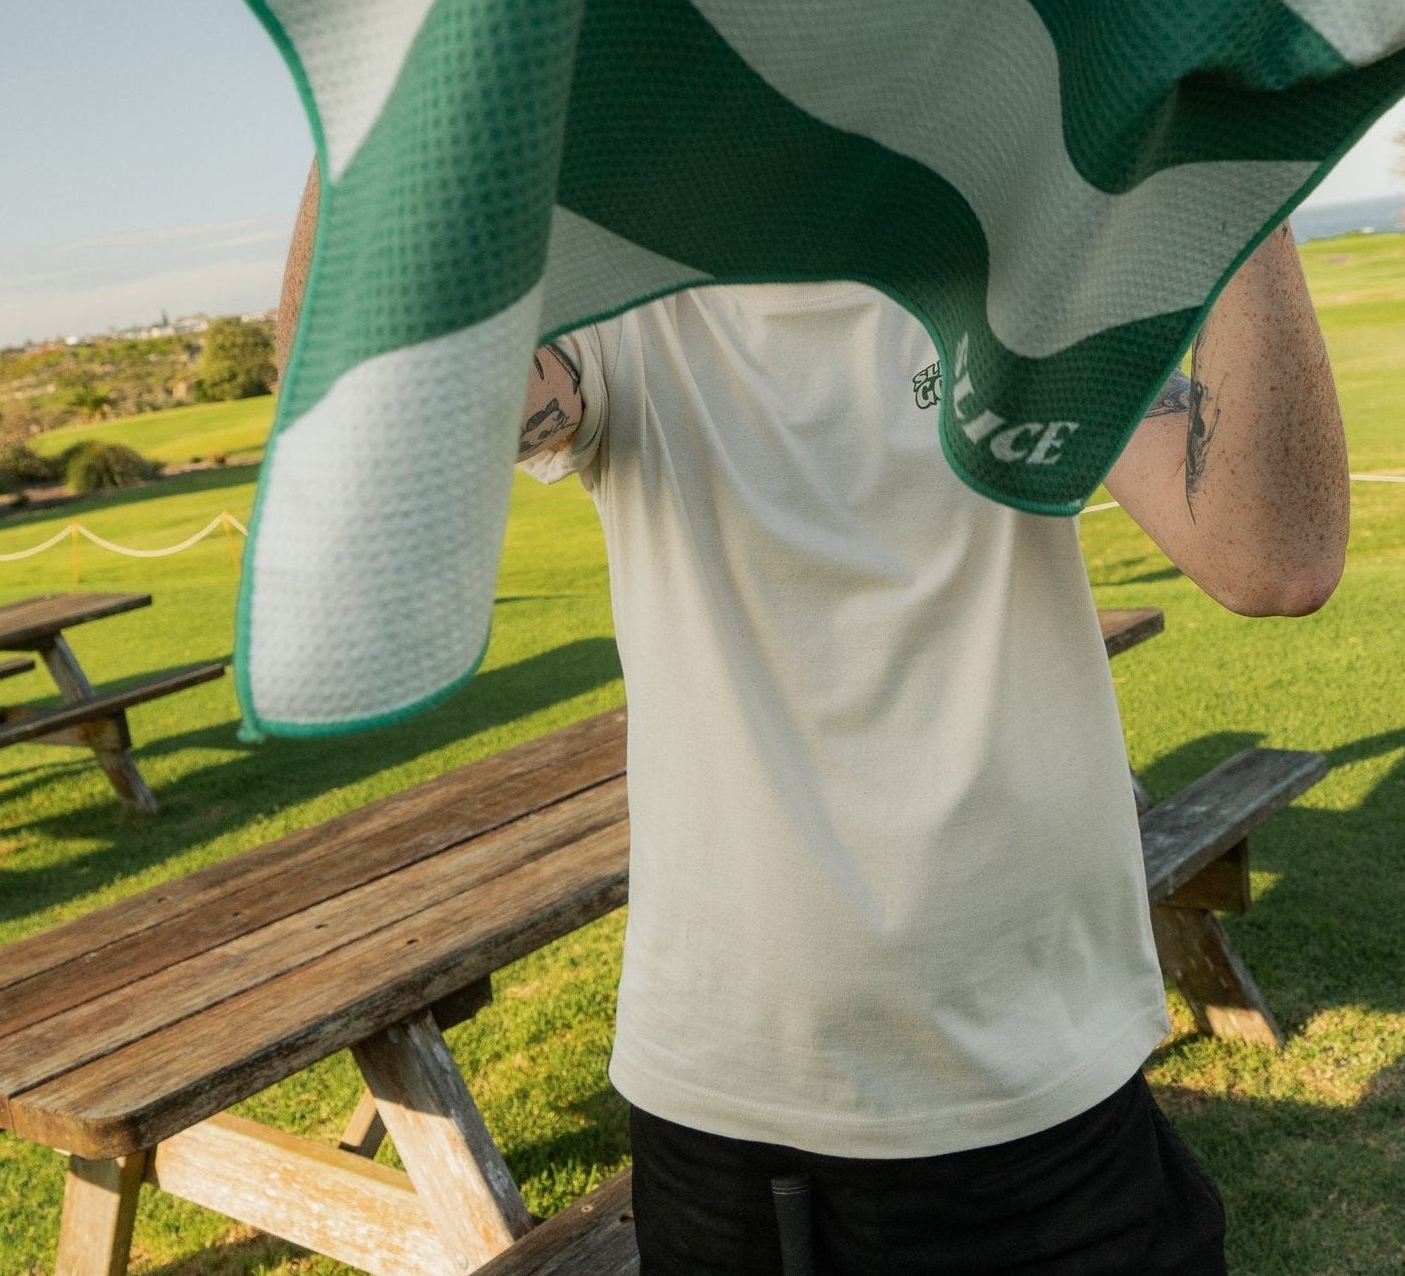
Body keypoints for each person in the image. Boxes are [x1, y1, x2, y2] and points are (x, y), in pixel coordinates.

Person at [279, 172, 1348, 1273]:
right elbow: (370, 434)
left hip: (1069, 1085)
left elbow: (1276, 558)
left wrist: (1243, 151)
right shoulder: (630, 299)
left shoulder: (1019, 262)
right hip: (758, 1132)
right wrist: (392, 70)